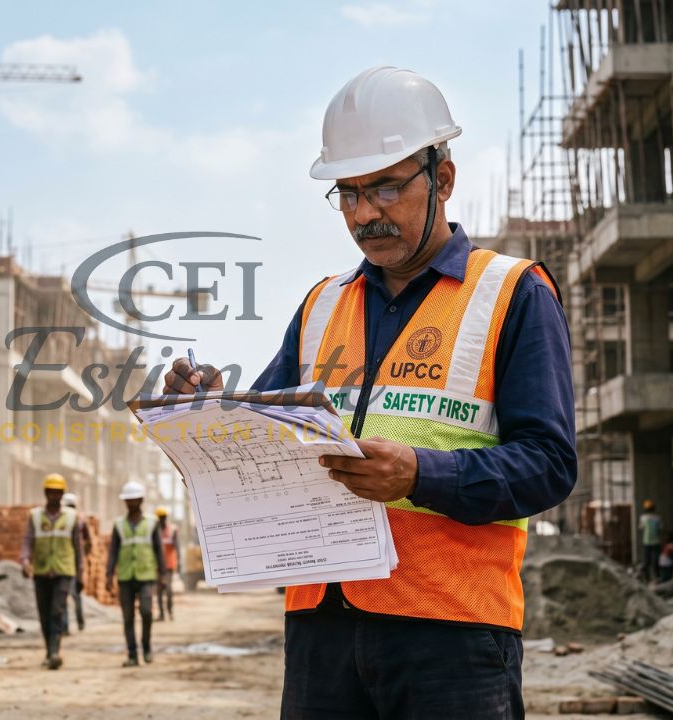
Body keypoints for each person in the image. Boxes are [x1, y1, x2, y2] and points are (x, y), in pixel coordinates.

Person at [164, 66, 576, 718]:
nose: (364, 213)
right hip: (321, 630)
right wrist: (211, 412)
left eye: (386, 187)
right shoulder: (322, 306)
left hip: (453, 632)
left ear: (442, 178)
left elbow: (549, 466)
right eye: (348, 193)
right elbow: (267, 449)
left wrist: (420, 473)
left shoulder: (511, 294)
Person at [19, 473, 82, 670]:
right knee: (44, 613)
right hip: (42, 571)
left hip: (64, 571)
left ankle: (55, 651)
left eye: (57, 493)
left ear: (62, 494)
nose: (54, 496)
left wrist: (81, 573)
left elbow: (77, 547)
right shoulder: (35, 516)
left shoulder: (72, 517)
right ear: (45, 493)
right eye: (51, 492)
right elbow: (28, 540)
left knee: (57, 611)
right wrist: (25, 560)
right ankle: (49, 650)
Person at [106, 480, 163, 667]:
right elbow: (113, 551)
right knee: (127, 617)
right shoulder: (119, 525)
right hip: (125, 576)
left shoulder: (152, 523)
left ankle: (146, 647)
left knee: (146, 612)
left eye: (135, 500)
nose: (131, 504)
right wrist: (109, 574)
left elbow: (159, 550)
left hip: (146, 576)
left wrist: (163, 574)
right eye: (128, 500)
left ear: (141, 500)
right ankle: (132, 654)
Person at [59, 492, 91, 634]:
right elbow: (88, 541)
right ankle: (77, 623)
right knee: (72, 595)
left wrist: (82, 554)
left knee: (70, 594)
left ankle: (71, 624)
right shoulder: (78, 518)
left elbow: (87, 540)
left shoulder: (75, 519)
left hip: (70, 562)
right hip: (66, 562)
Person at [155, 506, 180, 621]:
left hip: (169, 565)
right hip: (157, 566)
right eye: (160, 517)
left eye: (163, 517)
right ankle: (161, 614)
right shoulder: (155, 531)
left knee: (169, 590)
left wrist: (179, 563)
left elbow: (177, 547)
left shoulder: (172, 530)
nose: (162, 519)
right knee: (159, 591)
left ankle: (170, 612)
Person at [639, 499, 662, 583]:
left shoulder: (643, 518)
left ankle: (647, 578)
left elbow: (641, 527)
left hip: (646, 541)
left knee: (646, 560)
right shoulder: (657, 518)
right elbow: (660, 528)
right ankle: (657, 577)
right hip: (656, 541)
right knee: (655, 561)